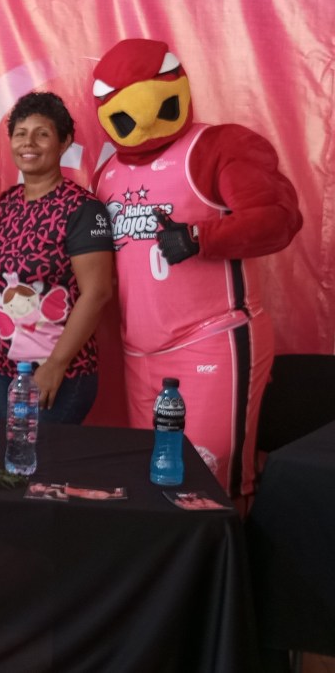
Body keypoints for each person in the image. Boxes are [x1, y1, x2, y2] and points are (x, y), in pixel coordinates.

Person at [92, 38, 302, 498]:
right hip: (139, 351)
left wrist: (198, 238)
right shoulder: (106, 173)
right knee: (155, 478)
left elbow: (279, 218)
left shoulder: (217, 146)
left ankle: (231, 546)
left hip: (211, 338)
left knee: (210, 477)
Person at [0, 92, 114, 424]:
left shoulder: (83, 209)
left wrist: (56, 365)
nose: (29, 143)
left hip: (57, 374)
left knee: (42, 457)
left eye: (42, 134)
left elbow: (97, 292)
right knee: (13, 454)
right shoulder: (7, 204)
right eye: (20, 133)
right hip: (0, 369)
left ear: (64, 142)